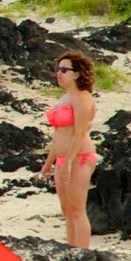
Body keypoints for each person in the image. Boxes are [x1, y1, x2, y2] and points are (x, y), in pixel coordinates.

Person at [41, 51, 100, 249]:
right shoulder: (65, 97)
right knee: (66, 210)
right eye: (58, 69)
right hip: (62, 159)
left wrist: (68, 162)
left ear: (76, 74)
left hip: (79, 157)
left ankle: (83, 254)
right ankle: (71, 250)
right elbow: (59, 135)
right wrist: (49, 162)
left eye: (64, 70)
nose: (59, 73)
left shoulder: (82, 98)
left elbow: (80, 133)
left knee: (77, 210)